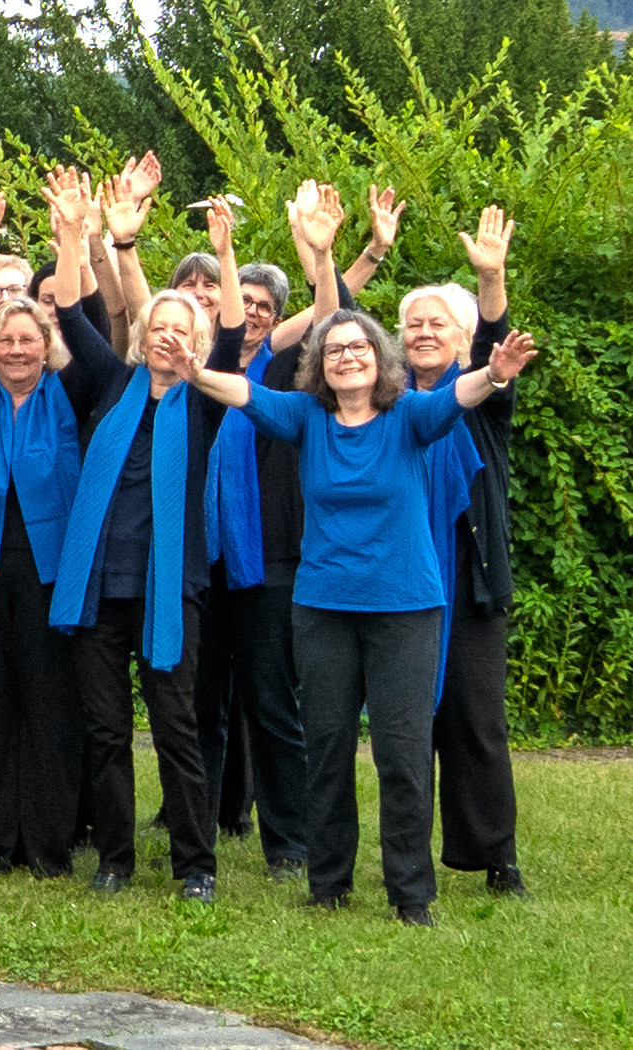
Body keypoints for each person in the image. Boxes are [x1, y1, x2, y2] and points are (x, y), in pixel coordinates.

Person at [173, 306, 536, 925]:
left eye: (359, 348)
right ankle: (329, 883)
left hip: (405, 608)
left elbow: (461, 396)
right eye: (335, 349)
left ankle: (411, 893)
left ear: (379, 359)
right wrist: (195, 373)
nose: (346, 357)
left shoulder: (409, 418)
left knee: (401, 752)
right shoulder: (307, 417)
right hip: (322, 609)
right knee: (329, 747)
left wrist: (495, 374)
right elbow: (248, 393)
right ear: (320, 364)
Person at [44, 170, 244, 902]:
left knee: (176, 731)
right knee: (103, 734)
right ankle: (115, 860)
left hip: (168, 590)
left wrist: (222, 255)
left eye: (180, 330)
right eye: (158, 327)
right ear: (143, 337)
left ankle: (195, 866)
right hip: (97, 590)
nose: (168, 337)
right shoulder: (108, 383)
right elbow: (68, 313)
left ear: (193, 344)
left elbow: (227, 335)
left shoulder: (204, 401)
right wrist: (73, 236)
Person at [0, 229, 126, 876]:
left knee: (49, 709)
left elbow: (92, 322)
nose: (16, 350)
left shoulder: (69, 397)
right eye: (6, 341)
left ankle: (47, 845)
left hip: (51, 577)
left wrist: (73, 240)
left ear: (47, 350)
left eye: (28, 340)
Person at [190, 181, 350, 876]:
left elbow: (328, 313)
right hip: (202, 558)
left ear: (276, 318)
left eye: (261, 306)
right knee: (198, 701)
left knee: (269, 704)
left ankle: (289, 843)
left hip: (268, 559)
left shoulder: (285, 370)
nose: (250, 313)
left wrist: (320, 252)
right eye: (242, 303)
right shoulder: (198, 370)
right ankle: (194, 820)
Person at [403, 206, 530, 899]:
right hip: (401, 583)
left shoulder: (480, 400)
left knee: (474, 722)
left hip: (470, 579)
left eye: (437, 325)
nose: (423, 334)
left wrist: (490, 279)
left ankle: (495, 858)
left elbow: (492, 349)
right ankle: (405, 857)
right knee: (406, 726)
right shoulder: (384, 401)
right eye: (413, 325)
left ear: (457, 341)